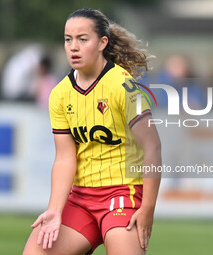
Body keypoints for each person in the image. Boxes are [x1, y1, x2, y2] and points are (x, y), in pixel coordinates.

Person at [23, 8, 161, 255]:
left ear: (102, 43)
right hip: (80, 200)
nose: (73, 47)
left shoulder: (125, 87)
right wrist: (55, 210)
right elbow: (65, 157)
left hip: (122, 194)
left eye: (82, 39)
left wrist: (148, 207)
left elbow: (153, 147)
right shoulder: (59, 93)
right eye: (68, 39)